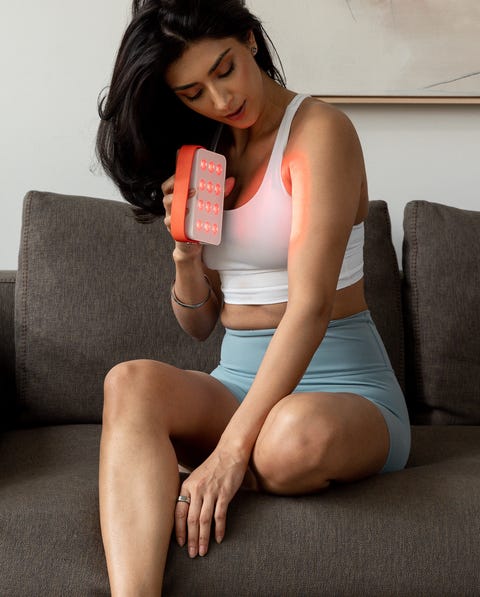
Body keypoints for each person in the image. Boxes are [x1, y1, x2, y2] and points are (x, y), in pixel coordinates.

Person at [96, 0, 411, 594]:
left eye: (225, 69)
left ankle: (221, 460)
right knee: (128, 382)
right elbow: (200, 326)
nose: (219, 100)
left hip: (341, 392)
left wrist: (228, 453)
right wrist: (186, 257)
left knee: (291, 437)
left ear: (248, 40)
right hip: (240, 384)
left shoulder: (320, 132)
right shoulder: (208, 149)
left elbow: (312, 304)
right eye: (192, 92)